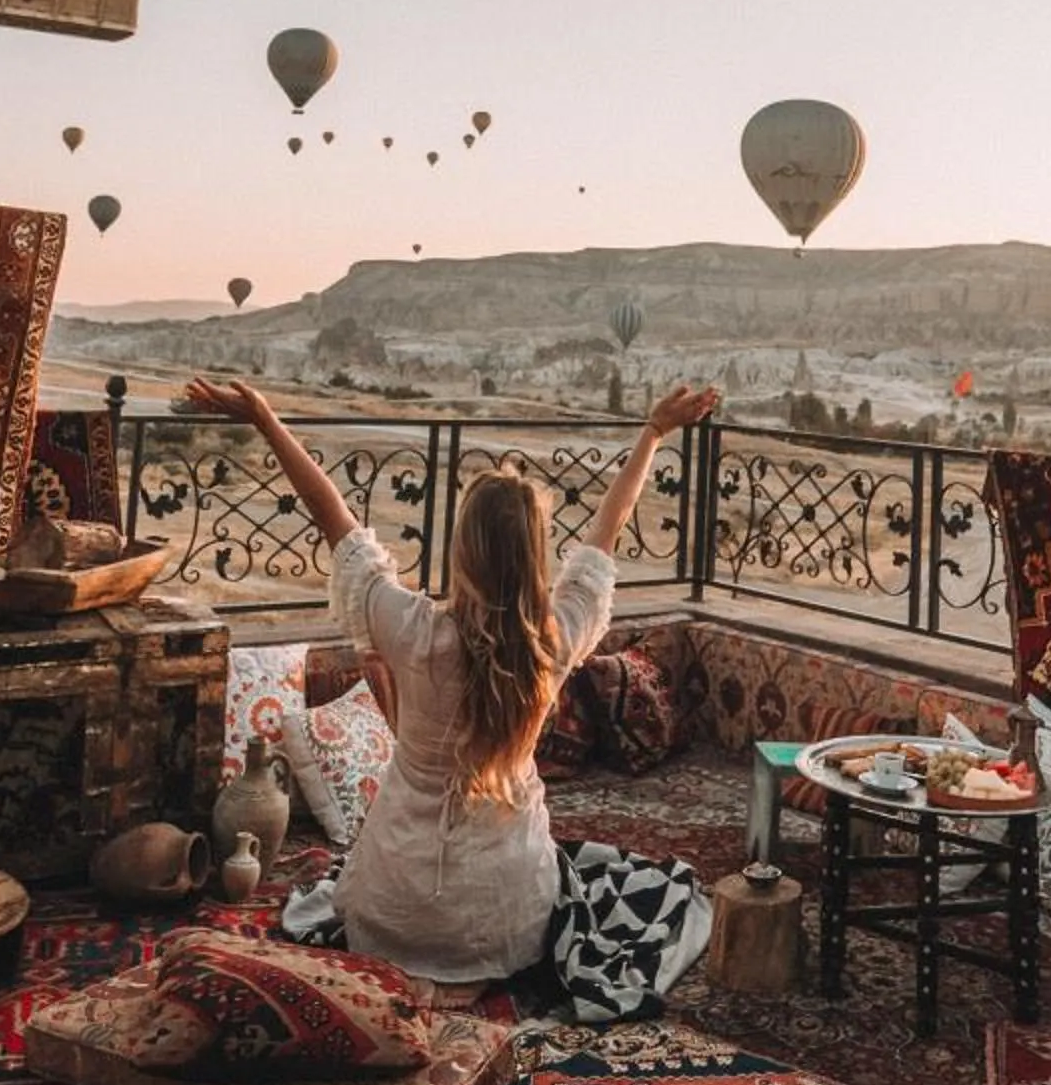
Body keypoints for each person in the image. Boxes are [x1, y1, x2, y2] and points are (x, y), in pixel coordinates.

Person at [181, 375, 716, 982]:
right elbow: (604, 536)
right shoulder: (555, 638)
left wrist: (266, 420)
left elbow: (337, 524)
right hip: (505, 925)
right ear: (534, 554)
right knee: (638, 886)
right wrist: (653, 432)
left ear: (462, 549)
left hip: (390, 914)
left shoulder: (413, 629)